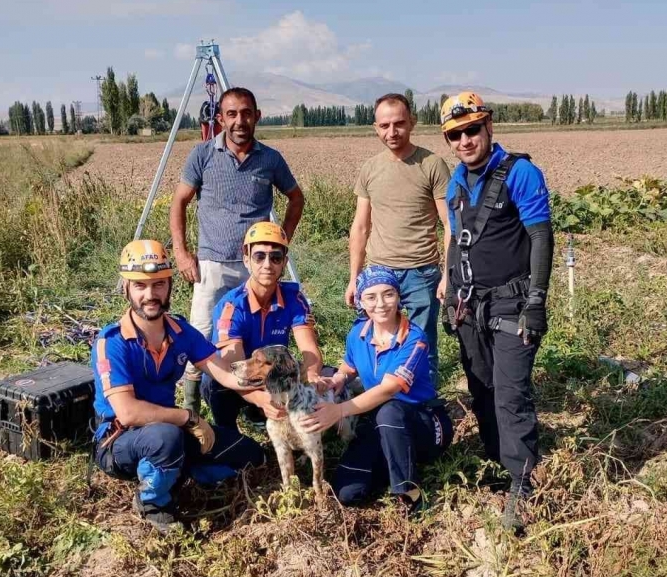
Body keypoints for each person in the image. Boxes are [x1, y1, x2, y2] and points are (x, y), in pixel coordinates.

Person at [92, 240, 265, 534]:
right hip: (120, 440)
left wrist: (267, 394)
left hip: (169, 430)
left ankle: (182, 471)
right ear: (126, 289)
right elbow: (130, 412)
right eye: (140, 286)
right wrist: (189, 418)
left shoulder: (181, 331)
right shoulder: (113, 342)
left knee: (251, 454)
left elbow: (223, 373)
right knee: (166, 437)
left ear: (170, 285)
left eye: (158, 284)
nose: (150, 295)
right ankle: (153, 503)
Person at [439, 92, 553, 533]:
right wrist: (451, 296)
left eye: (472, 130)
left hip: (512, 302)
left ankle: (524, 484)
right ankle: (496, 461)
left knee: (510, 394)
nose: (465, 140)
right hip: (471, 304)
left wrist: (537, 302)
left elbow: (541, 238)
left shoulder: (520, 173)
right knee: (481, 388)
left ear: (489, 128)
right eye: (456, 135)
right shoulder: (456, 183)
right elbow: (456, 241)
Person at [170, 87, 305, 410]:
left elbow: (296, 198)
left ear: (257, 117)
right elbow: (179, 201)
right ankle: (192, 409)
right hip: (212, 265)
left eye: (246, 113)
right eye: (231, 114)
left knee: (257, 333)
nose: (239, 121)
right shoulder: (202, 155)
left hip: (256, 267)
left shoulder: (270, 159)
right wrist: (182, 252)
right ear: (220, 119)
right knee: (200, 338)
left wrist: (279, 242)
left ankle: (260, 401)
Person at [305, 266, 452, 515]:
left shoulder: (414, 339)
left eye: (388, 294)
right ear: (361, 301)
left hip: (426, 424)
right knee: (347, 492)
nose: (381, 304)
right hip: (383, 423)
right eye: (371, 297)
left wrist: (338, 410)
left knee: (390, 411)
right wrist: (338, 378)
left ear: (398, 296)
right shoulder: (358, 333)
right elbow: (349, 366)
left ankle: (411, 493)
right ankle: (392, 465)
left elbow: (388, 390)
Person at [345, 93, 450, 386]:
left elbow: (449, 225)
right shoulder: (370, 169)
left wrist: (448, 275)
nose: (392, 132)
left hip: (421, 272)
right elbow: (361, 227)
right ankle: (381, 405)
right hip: (380, 273)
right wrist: (355, 277)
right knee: (378, 342)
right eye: (384, 125)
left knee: (421, 346)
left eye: (399, 124)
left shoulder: (432, 164)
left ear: (412, 123)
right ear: (375, 128)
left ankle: (425, 409)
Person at [204, 222, 326, 427]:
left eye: (276, 257)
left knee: (325, 375)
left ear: (284, 262)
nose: (268, 264)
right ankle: (228, 435)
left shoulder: (294, 298)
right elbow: (233, 368)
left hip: (273, 373)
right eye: (259, 256)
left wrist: (312, 375)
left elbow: (309, 351)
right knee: (213, 384)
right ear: (246, 260)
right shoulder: (231, 306)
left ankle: (268, 416)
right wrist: (260, 399)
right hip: (244, 375)